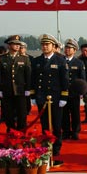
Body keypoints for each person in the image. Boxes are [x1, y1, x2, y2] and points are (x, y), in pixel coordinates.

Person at [31, 34, 69, 165]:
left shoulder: (60, 61)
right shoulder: (36, 61)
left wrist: (64, 96)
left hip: (56, 98)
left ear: (54, 46)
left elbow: (65, 81)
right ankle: (46, 146)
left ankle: (56, 148)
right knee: (45, 124)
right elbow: (33, 80)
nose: (45, 47)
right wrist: (33, 95)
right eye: (43, 44)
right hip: (42, 98)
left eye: (47, 44)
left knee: (57, 125)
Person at [0, 35, 31, 132]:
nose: (17, 46)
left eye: (18, 44)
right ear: (9, 45)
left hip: (20, 91)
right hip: (7, 90)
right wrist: (0, 89)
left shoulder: (24, 58)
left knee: (22, 113)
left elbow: (28, 75)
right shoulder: (2, 58)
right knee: (8, 113)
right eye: (14, 44)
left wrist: (28, 89)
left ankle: (21, 131)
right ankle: (11, 130)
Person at [61, 39, 86, 140]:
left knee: (75, 113)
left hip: (74, 92)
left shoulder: (79, 63)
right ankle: (66, 131)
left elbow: (82, 78)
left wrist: (82, 92)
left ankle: (75, 131)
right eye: (66, 48)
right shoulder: (60, 61)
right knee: (64, 113)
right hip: (63, 91)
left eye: (69, 48)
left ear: (74, 50)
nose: (67, 50)